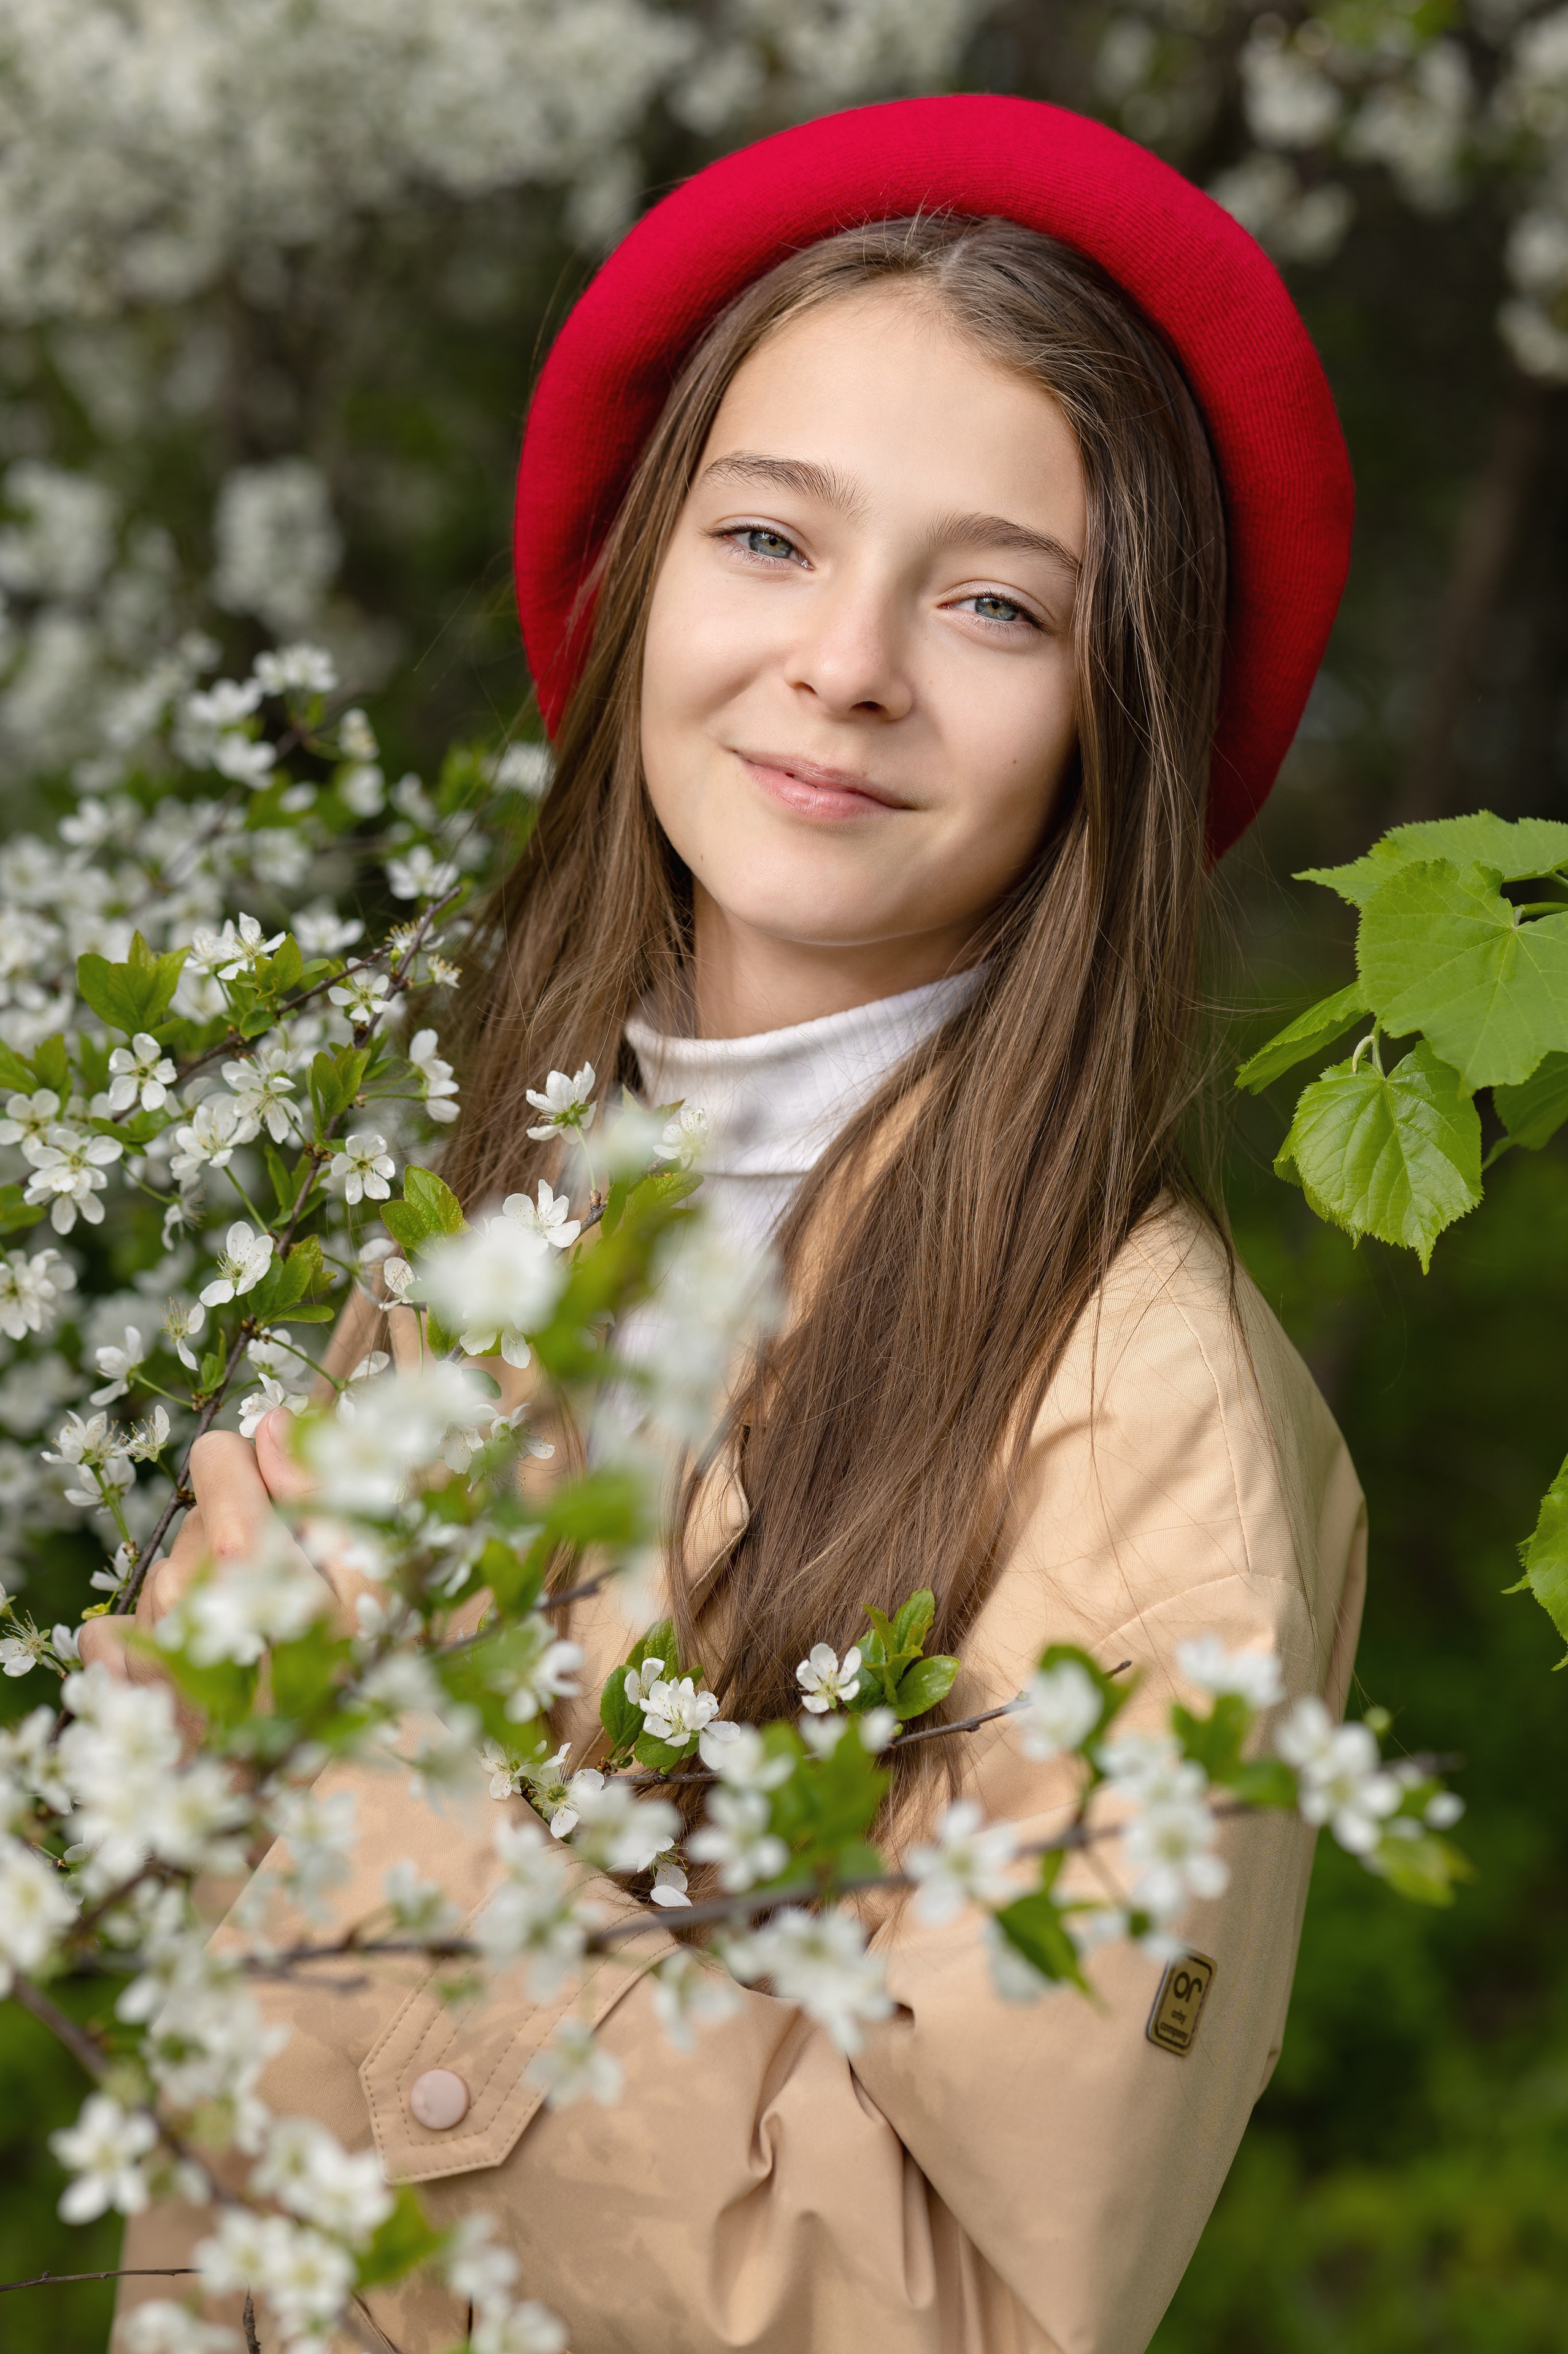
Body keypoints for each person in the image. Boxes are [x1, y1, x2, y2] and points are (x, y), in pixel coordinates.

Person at [101, 95, 1366, 2354]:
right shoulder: (499, 1192)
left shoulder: (1139, 1421)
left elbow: (976, 2313)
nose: (848, 663)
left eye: (991, 602)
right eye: (770, 541)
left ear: (1115, 712)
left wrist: (362, 1803)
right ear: (641, 580)